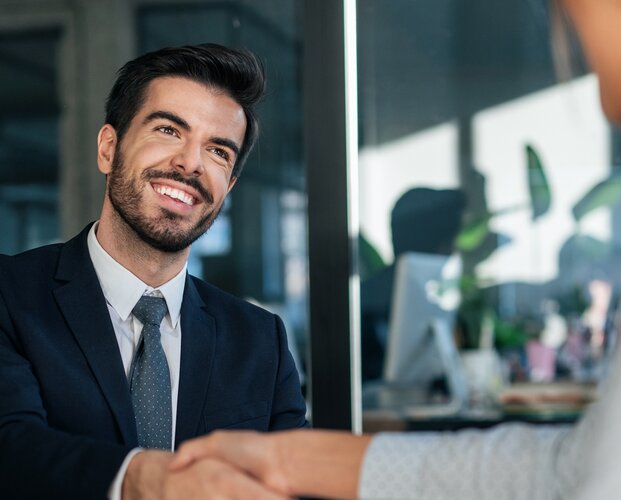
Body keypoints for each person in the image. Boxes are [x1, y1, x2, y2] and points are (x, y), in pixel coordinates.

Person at [166, 1, 621, 498]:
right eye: (168, 130)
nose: (599, 97)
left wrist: (290, 458)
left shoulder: (259, 336)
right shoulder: (331, 313)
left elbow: (579, 473)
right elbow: (571, 470)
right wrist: (287, 458)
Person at [0, 43, 307, 500]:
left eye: (219, 151)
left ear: (229, 188)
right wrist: (151, 479)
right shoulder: (10, 295)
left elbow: (296, 480)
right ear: (109, 148)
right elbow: (11, 449)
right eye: (168, 129)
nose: (191, 163)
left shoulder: (261, 340)